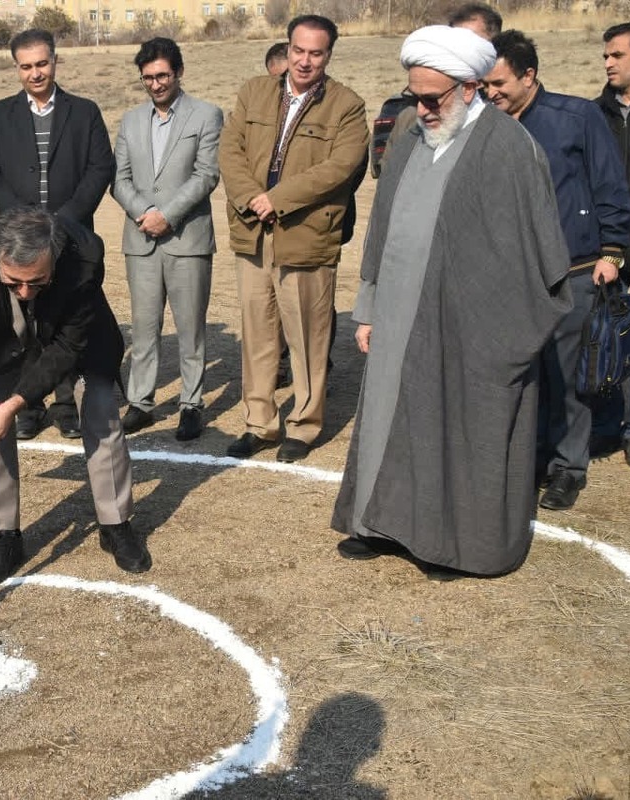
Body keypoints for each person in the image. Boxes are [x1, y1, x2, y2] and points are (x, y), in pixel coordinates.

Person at [332, 26, 572, 579]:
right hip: (398, 314)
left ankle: (453, 547)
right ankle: (379, 525)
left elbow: (537, 258)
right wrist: (367, 307)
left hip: (474, 326)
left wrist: (500, 330)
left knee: (459, 428)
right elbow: (382, 229)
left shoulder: (510, 148)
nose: (420, 108)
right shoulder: (412, 134)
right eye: (414, 95)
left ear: (470, 88)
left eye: (431, 97)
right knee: (390, 420)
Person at [0, 206, 149, 586]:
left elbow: (66, 349)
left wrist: (16, 405)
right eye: (13, 282)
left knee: (101, 408)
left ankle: (115, 523)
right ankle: (3, 534)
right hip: (0, 340)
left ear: (53, 259)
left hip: (79, 338)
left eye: (35, 282)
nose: (24, 292)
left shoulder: (84, 256)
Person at [483, 30, 630, 510]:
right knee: (524, 375)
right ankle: (529, 460)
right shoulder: (486, 124)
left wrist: (611, 253)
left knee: (569, 377)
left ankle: (568, 468)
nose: (491, 93)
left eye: (500, 83)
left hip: (575, 268)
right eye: (485, 85)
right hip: (509, 276)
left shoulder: (578, 117)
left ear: (530, 75)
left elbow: (610, 186)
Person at [218, 14, 368, 463]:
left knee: (307, 337)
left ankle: (304, 424)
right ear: (287, 49)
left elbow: (339, 169)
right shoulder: (253, 92)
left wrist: (277, 198)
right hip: (253, 234)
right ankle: (259, 422)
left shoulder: (348, 105)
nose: (305, 61)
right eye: (298, 51)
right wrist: (251, 198)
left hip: (305, 237)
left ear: (328, 55)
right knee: (258, 333)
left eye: (315, 53)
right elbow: (231, 151)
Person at [0, 28, 116, 441]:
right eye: (26, 66)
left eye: (42, 63)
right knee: (24, 324)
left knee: (65, 320)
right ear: (16, 69)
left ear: (55, 61)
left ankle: (66, 403)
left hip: (69, 237)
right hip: (20, 242)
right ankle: (28, 404)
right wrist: (22, 220)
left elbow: (99, 168)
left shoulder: (84, 111)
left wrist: (65, 222)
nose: (35, 73)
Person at [112, 38, 223, 441]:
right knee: (144, 327)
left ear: (178, 71)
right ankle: (141, 402)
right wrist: (145, 214)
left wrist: (167, 216)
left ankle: (191, 404)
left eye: (162, 75)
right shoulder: (130, 120)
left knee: (190, 327)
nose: (155, 84)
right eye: (148, 78)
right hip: (141, 238)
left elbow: (207, 175)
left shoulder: (207, 115)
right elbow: (119, 178)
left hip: (187, 239)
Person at [371, 3, 502, 178]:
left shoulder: (506, 116)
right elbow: (388, 179)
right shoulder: (404, 113)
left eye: (472, 44)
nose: (422, 110)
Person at [593, 21, 630, 467]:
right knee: (604, 341)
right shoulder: (595, 115)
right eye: (605, 55)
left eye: (617, 55)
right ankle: (606, 426)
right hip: (607, 250)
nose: (607, 62)